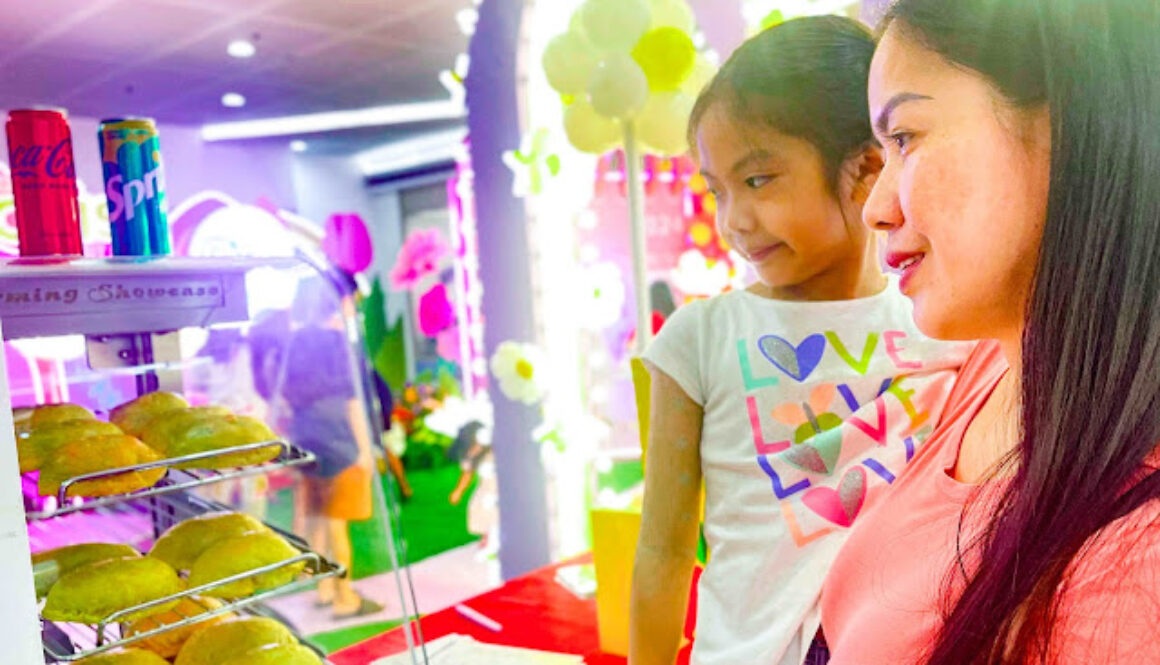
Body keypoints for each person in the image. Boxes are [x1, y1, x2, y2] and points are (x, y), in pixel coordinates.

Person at [820, 1, 1160, 663]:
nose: (876, 208)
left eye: (906, 137)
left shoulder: (1132, 588)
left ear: (1076, 126)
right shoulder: (995, 364)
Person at [629, 16, 972, 665]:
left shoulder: (940, 325)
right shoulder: (700, 339)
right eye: (717, 190)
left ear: (866, 169)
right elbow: (663, 550)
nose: (734, 219)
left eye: (758, 180)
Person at [282, 271, 384, 619]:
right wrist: (365, 449)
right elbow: (352, 399)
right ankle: (345, 598)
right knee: (336, 523)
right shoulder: (340, 343)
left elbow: (287, 393)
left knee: (318, 519)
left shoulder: (298, 340)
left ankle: (324, 588)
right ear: (339, 301)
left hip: (307, 438)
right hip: (340, 440)